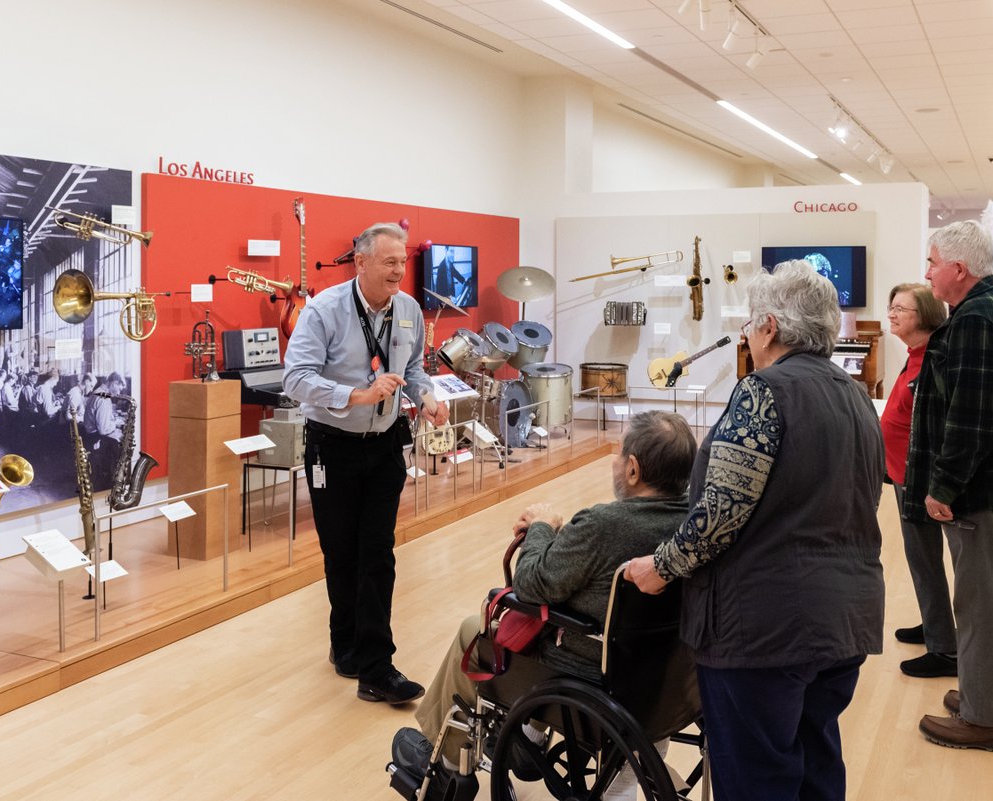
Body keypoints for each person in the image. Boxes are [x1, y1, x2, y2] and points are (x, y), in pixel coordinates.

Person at [627, 261, 885, 801]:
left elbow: (721, 511)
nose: (745, 333)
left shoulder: (762, 392)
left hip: (765, 629)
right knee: (817, 765)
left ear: (768, 326)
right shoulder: (856, 395)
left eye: (749, 323)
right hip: (844, 619)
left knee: (757, 779)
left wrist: (661, 566)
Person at [391, 411, 695, 790]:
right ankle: (527, 740)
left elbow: (532, 584)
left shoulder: (603, 524)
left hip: (590, 675)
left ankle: (446, 763)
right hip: (668, 675)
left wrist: (541, 526)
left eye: (618, 456)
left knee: (475, 629)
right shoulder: (695, 529)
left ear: (632, 469)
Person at [283, 221, 449, 705]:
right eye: (390, 262)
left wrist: (427, 395)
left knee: (377, 552)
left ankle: (377, 665)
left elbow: (414, 368)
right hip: (331, 448)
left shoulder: (410, 310)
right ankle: (346, 644)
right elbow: (295, 378)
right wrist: (354, 395)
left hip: (385, 448)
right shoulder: (324, 311)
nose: (400, 270)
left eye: (404, 262)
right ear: (360, 262)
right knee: (341, 552)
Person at [908, 220, 993, 753]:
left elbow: (969, 416)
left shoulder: (978, 319)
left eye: (933, 261)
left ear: (958, 269)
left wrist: (943, 486)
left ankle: (987, 720)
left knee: (982, 600)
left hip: (978, 489)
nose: (927, 271)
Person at [881, 284, 956, 678]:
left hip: (919, 477)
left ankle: (945, 648)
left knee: (924, 560)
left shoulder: (932, 361)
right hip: (901, 473)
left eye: (899, 308)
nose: (891, 314)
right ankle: (936, 624)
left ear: (924, 315)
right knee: (920, 559)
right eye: (890, 307)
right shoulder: (915, 356)